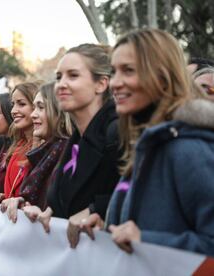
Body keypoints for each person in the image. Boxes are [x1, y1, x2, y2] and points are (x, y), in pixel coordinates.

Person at [68, 29, 214, 256]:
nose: (115, 83)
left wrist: (145, 240)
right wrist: (108, 228)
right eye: (114, 72)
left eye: (129, 71)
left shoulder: (189, 149)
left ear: (163, 77)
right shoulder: (148, 144)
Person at [24, 44, 120, 233]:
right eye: (59, 77)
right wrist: (47, 212)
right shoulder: (76, 141)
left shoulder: (118, 133)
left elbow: (140, 192)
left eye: (73, 75)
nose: (61, 84)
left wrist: (96, 210)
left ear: (101, 84)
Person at [0, 82, 73, 222]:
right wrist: (17, 201)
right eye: (34, 108)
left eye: (40, 107)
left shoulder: (69, 153)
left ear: (59, 111)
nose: (33, 115)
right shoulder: (48, 152)